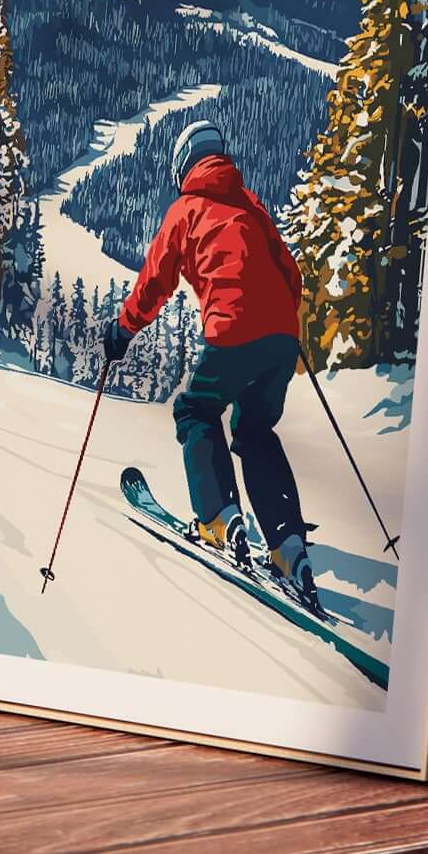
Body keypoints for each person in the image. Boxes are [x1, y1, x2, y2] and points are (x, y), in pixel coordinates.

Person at [101, 119, 319, 608]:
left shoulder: (185, 210)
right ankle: (288, 547)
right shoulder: (250, 202)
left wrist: (122, 331)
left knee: (195, 411)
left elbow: (156, 281)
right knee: (257, 432)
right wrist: (285, 321)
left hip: (234, 330)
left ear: (183, 165)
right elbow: (290, 270)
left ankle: (219, 517)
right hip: (282, 337)